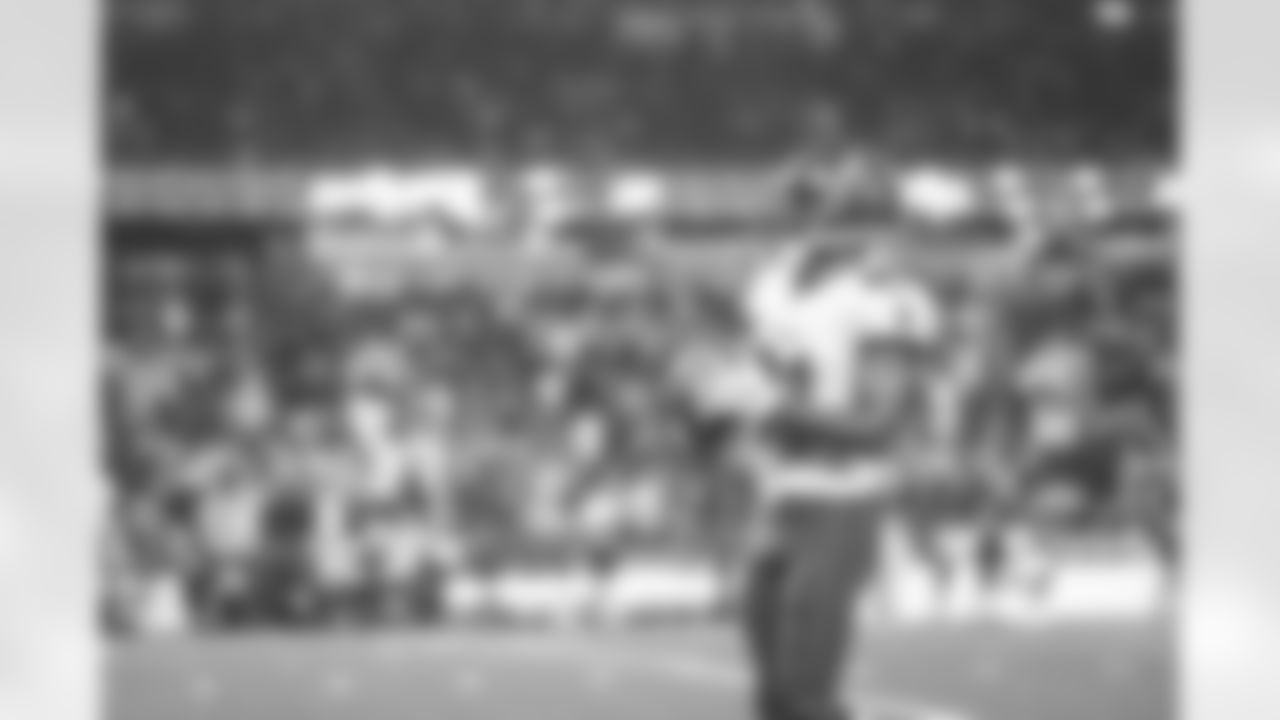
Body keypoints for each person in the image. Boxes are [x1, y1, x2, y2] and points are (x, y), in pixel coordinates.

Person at [729, 217, 945, 720]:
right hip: (782, 488)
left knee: (807, 685)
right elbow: (762, 384)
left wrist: (778, 411)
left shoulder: (885, 300)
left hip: (843, 489)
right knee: (773, 689)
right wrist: (730, 411)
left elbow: (879, 424)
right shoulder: (772, 287)